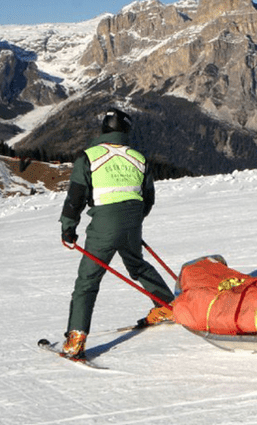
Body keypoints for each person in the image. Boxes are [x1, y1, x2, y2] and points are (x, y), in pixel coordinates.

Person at [58, 108, 175, 359]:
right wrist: (131, 222)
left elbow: (76, 197)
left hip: (104, 224)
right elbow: (149, 198)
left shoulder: (89, 157)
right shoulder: (138, 158)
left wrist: (68, 227)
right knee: (138, 265)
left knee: (88, 281)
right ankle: (167, 306)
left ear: (104, 129)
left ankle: (76, 339)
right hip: (132, 220)